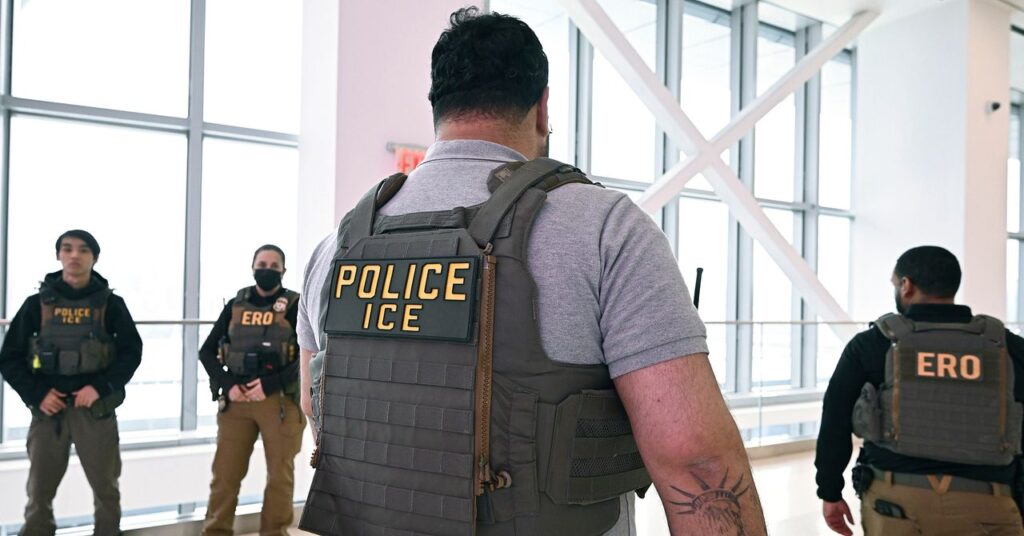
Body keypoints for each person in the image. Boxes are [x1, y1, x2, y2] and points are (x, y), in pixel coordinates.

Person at [296, 8, 765, 536]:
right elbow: (695, 459)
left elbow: (321, 412)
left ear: (438, 107)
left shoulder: (335, 247)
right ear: (543, 108)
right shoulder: (604, 228)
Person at [816, 245, 1024, 535]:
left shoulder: (872, 344)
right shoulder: (1008, 347)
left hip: (895, 504)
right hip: (990, 500)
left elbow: (835, 419)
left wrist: (830, 491)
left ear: (906, 285)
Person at [0, 230, 143, 535]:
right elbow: (9, 358)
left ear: (95, 258)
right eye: (67, 249)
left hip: (95, 411)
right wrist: (37, 394)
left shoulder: (111, 305)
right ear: (58, 256)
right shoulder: (36, 305)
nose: (74, 255)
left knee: (105, 488)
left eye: (83, 250)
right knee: (39, 490)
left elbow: (131, 353)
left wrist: (100, 388)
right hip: (48, 411)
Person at [198, 244, 305, 536]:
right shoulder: (236, 304)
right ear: (253, 267)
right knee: (225, 475)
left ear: (283, 270)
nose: (267, 270)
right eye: (262, 264)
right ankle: (215, 532)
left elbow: (307, 356)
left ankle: (274, 532)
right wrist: (228, 384)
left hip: (278, 401)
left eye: (274, 266)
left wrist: (270, 384)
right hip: (237, 400)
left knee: (279, 477)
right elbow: (206, 352)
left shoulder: (294, 305)